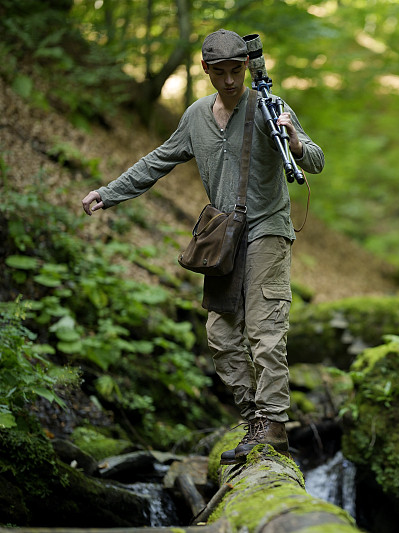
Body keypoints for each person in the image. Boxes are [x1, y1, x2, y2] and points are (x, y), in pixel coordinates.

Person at [81, 29, 324, 463]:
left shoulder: (269, 106)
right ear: (206, 70)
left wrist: (296, 142)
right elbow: (159, 159)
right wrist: (110, 191)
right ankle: (254, 421)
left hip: (268, 227)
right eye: (222, 72)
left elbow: (316, 160)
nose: (230, 81)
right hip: (223, 237)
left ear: (246, 68)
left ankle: (273, 427)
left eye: (237, 70)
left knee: (265, 331)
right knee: (220, 335)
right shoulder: (195, 116)